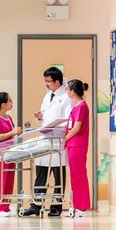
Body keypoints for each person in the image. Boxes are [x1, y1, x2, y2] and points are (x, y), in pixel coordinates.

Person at [22, 67, 72, 216]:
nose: (46, 84)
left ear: (57, 82)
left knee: (58, 175)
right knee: (41, 174)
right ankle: (36, 206)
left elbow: (68, 120)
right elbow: (44, 115)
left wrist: (55, 127)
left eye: (48, 81)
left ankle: (56, 207)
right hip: (45, 139)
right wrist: (39, 117)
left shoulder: (67, 97)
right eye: (45, 81)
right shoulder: (47, 96)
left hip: (57, 140)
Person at [0, 92, 22, 218]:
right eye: (10, 101)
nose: (12, 103)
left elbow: (11, 134)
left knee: (9, 182)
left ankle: (6, 207)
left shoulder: (9, 118)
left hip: (10, 154)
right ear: (3, 104)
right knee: (0, 181)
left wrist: (16, 133)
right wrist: (12, 132)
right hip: (0, 155)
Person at [63, 79, 91, 217]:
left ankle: (82, 207)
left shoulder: (81, 106)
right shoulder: (77, 106)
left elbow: (76, 128)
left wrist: (65, 138)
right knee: (75, 175)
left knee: (79, 176)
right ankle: (77, 206)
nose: (66, 91)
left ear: (73, 92)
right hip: (73, 145)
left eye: (67, 89)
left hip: (77, 144)